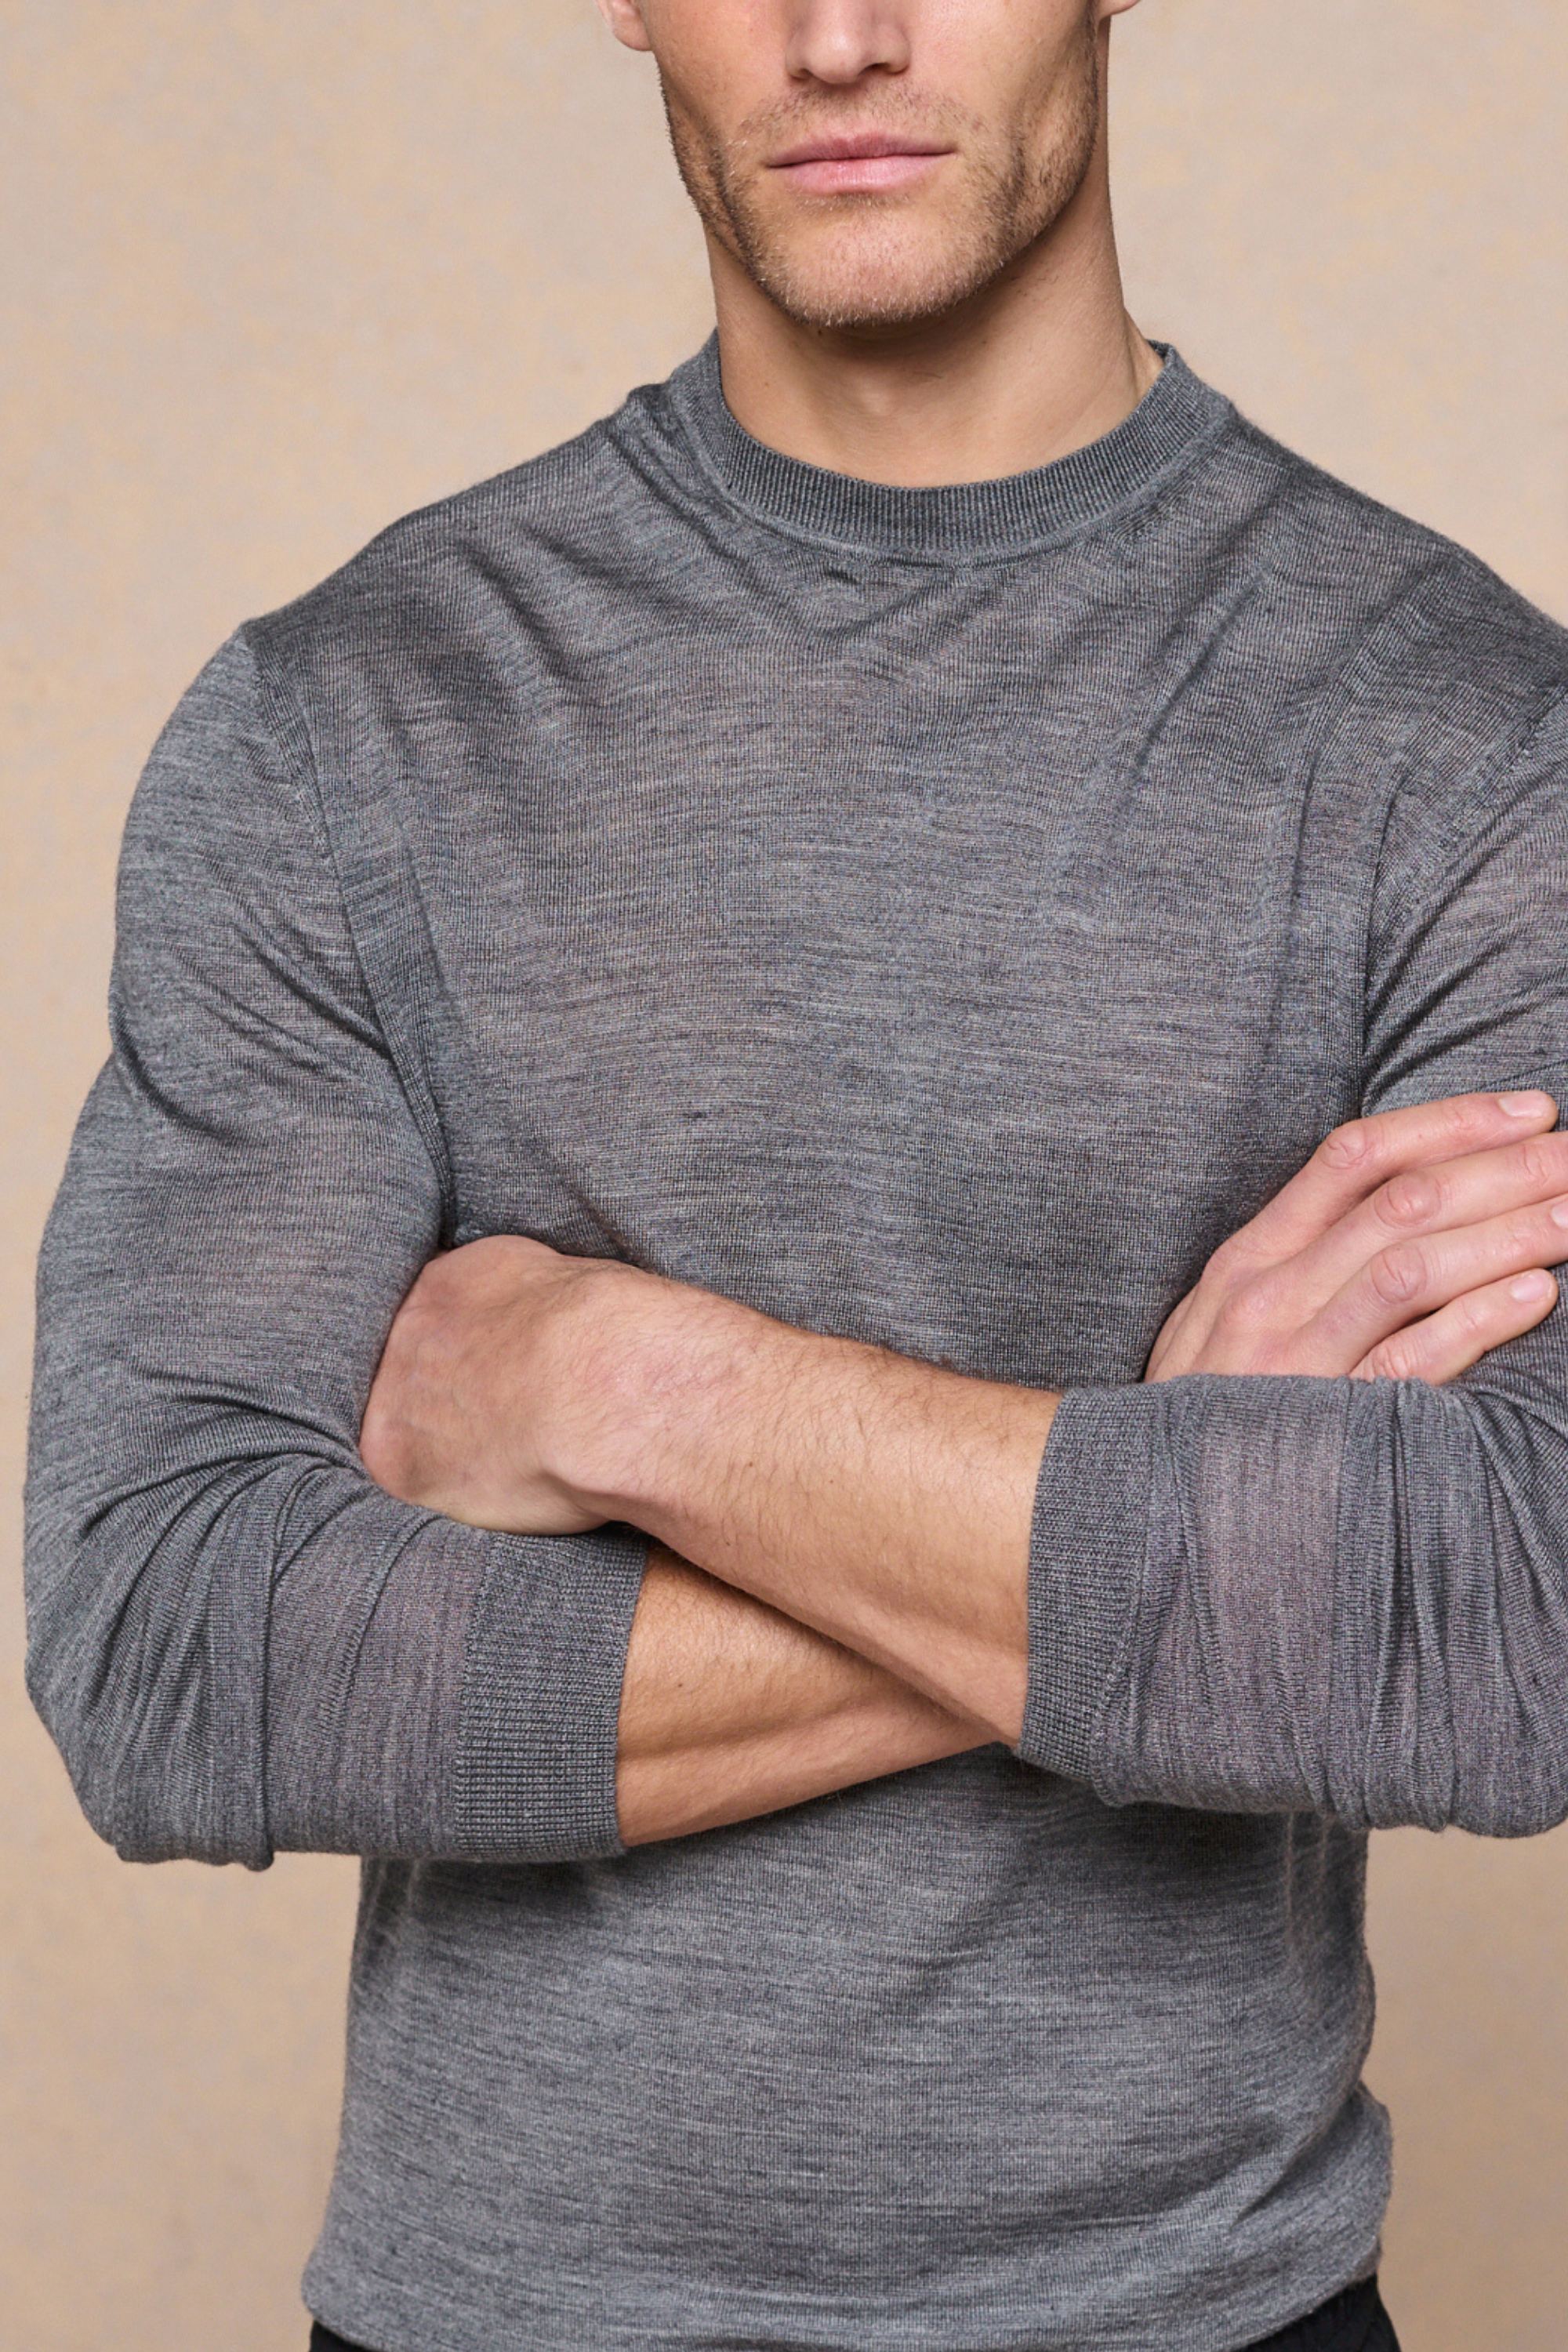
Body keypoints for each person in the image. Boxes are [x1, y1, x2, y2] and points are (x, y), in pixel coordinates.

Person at [24, 1, 1568, 2347]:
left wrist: (638, 1390)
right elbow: (172, 1644)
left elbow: (1522, 1620)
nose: (842, 38)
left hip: (1212, 2314)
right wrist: (1177, 1490)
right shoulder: (349, 724)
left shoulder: (1466, 738)